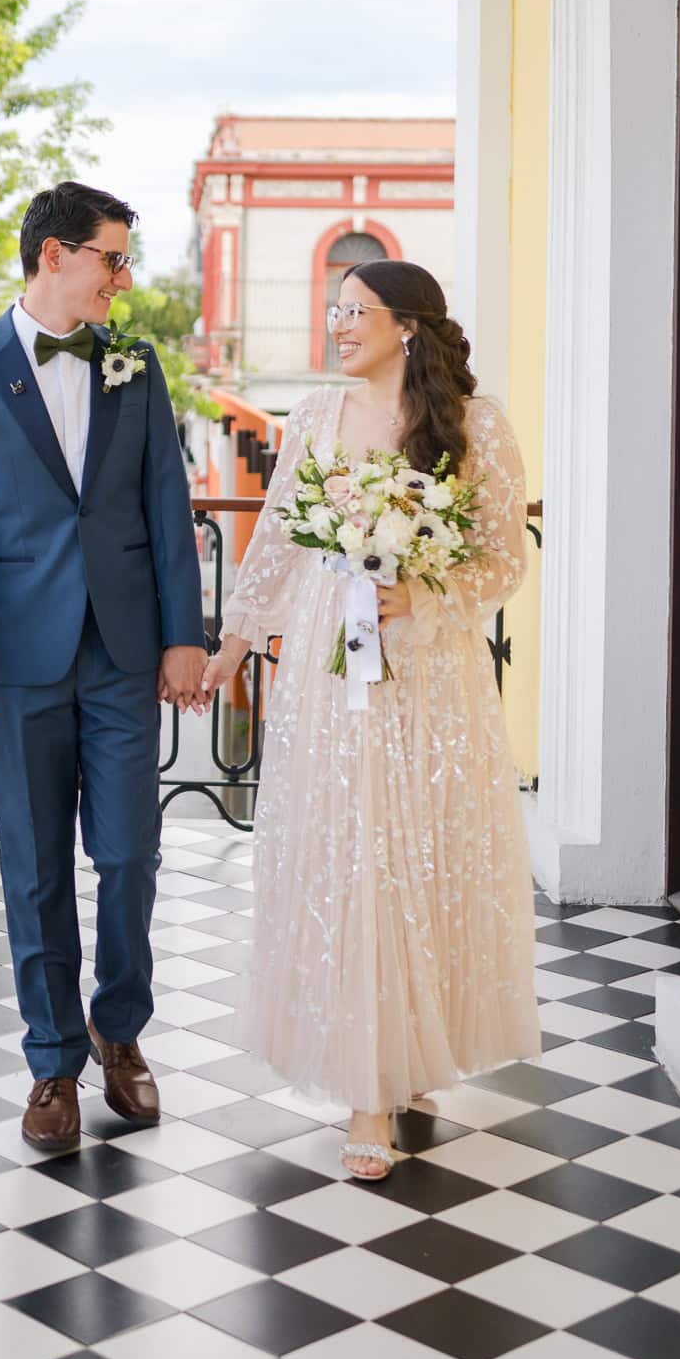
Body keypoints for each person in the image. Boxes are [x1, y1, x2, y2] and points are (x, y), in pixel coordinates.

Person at [202, 260, 540, 1180]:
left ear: (408, 326)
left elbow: (504, 558)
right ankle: (367, 1093)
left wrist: (422, 589)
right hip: (327, 671)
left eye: (355, 311)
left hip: (431, 675)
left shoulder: (476, 425)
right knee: (349, 853)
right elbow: (276, 536)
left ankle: (413, 1052)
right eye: (334, 310)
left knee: (420, 851)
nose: (338, 325)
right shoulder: (314, 416)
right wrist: (234, 641)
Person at [0, 182, 207, 1154]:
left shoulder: (137, 366)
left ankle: (119, 1029)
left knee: (129, 854)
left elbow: (168, 505)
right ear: (55, 256)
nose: (124, 278)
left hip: (124, 653)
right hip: (16, 660)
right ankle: (52, 1062)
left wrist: (185, 634)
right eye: (112, 259)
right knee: (33, 868)